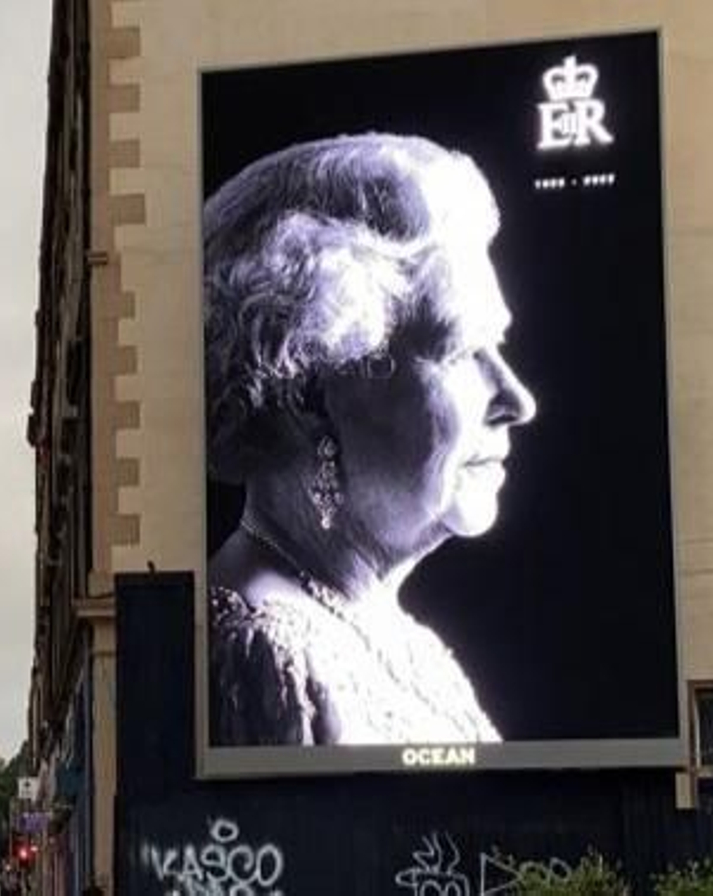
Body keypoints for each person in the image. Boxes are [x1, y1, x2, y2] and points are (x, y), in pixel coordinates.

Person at [206, 133, 538, 747]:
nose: (518, 401)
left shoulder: (396, 638)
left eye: (501, 347)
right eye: (463, 351)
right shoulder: (269, 650)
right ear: (312, 394)